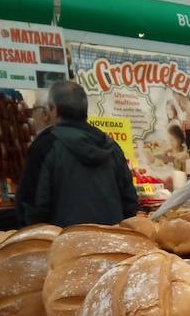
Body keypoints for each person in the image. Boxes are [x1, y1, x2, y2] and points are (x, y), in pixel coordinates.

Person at [15, 81, 137, 227]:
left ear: (53, 109)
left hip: (63, 244)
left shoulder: (45, 146)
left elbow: (32, 206)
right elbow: (130, 202)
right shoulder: (111, 146)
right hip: (112, 244)